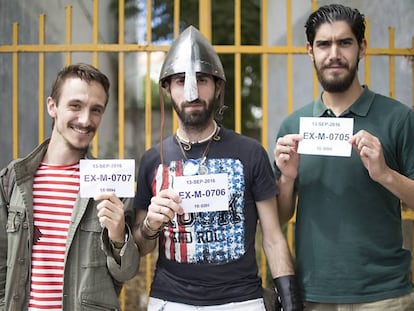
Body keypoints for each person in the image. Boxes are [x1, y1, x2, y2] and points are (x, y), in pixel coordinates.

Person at [132, 25, 302, 311]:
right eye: (180, 81)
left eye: (201, 80)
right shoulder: (152, 160)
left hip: (242, 301)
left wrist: (291, 298)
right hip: (171, 300)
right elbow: (142, 246)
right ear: (167, 89)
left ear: (218, 86)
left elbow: (273, 236)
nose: (191, 92)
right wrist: (150, 224)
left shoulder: (249, 153)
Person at [274, 4, 414, 311]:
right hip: (314, 293)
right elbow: (280, 217)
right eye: (324, 44)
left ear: (362, 47)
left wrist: (385, 174)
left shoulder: (399, 118)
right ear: (309, 51)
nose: (334, 53)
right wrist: (287, 177)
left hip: (384, 296)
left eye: (345, 42)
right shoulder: (292, 127)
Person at [0, 63, 140, 310]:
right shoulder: (13, 179)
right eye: (75, 106)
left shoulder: (110, 186)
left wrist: (118, 236)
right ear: (52, 106)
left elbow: (126, 274)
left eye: (96, 110)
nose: (85, 120)